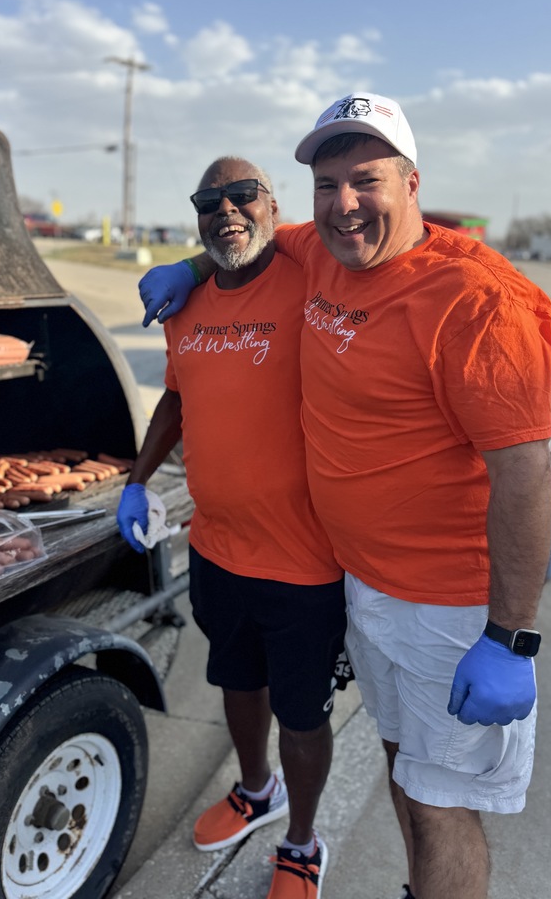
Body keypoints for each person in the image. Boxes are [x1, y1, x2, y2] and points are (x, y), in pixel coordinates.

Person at [138, 94, 551, 899]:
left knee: (444, 807)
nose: (344, 204)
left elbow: (524, 476)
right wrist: (188, 267)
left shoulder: (476, 300)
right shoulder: (327, 249)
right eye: (326, 185)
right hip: (364, 584)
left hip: (449, 606)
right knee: (406, 767)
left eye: (364, 181)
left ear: (410, 182)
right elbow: (245, 237)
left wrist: (511, 638)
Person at [117, 156, 349, 899]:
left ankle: (303, 843)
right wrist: (136, 480)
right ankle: (255, 790)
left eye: (243, 196)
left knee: (303, 714)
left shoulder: (311, 278)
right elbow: (175, 403)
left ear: (273, 205)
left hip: (305, 561)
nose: (227, 211)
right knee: (236, 682)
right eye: (208, 201)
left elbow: (400, 247)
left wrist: (513, 300)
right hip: (215, 548)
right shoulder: (184, 306)